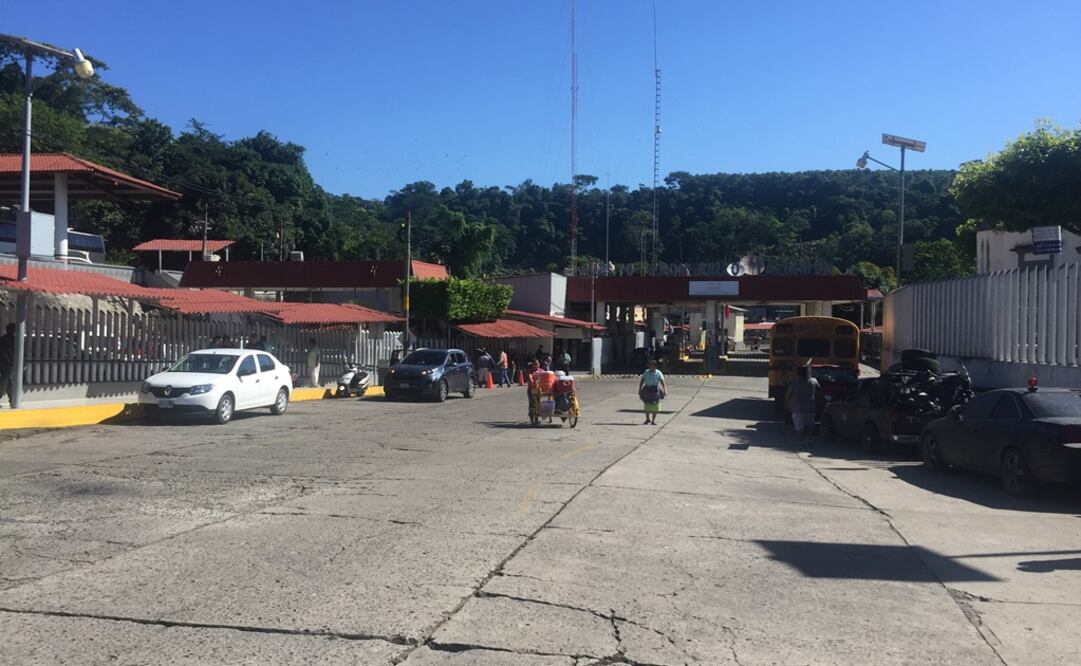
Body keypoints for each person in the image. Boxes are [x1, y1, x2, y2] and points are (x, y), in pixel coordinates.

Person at [786, 364, 820, 444]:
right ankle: (809, 439)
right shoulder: (814, 381)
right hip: (810, 407)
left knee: (799, 427)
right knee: (810, 425)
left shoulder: (795, 381)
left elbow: (789, 394)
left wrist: (787, 403)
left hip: (797, 407)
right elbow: (819, 391)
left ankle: (801, 441)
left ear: (798, 373)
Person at [638, 359, 667, 425]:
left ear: (655, 367)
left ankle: (653, 420)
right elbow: (642, 381)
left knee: (655, 405)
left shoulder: (658, 373)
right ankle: (647, 419)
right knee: (647, 404)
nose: (650, 367)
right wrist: (640, 389)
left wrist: (665, 390)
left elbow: (663, 382)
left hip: (655, 390)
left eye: (652, 366)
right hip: (647, 389)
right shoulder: (646, 372)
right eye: (650, 366)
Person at [0, 323, 14, 407]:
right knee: (4, 381)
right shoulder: (15, 340)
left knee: (8, 381)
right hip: (9, 363)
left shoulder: (1, 339)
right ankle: (12, 399)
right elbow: (18, 353)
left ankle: (12, 399)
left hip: (2, 363)